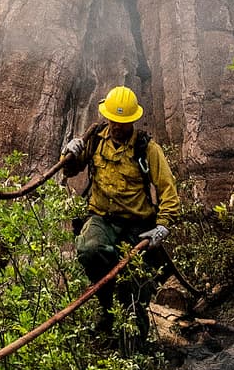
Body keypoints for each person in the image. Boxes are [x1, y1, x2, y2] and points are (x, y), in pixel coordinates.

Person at [61, 84, 180, 342]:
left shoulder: (147, 149)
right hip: (101, 218)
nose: (117, 126)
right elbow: (70, 171)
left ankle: (135, 346)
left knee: (134, 284)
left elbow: (168, 190)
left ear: (132, 121)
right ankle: (106, 311)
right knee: (90, 251)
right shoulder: (94, 141)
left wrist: (162, 226)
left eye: (123, 122)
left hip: (138, 225)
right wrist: (70, 153)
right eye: (113, 120)